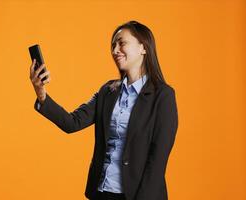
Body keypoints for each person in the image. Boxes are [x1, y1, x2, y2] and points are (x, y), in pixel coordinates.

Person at [29, 20, 178, 200]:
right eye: (113, 45)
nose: (115, 51)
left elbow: (157, 161)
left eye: (121, 43)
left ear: (143, 47)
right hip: (102, 192)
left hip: (138, 195)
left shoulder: (163, 96)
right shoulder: (108, 91)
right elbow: (71, 123)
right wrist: (41, 93)